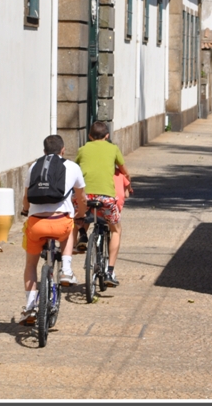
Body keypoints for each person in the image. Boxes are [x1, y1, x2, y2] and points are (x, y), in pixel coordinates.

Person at [19, 134, 86, 325]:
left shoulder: (34, 167)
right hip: (60, 224)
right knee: (68, 229)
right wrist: (80, 213)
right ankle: (65, 269)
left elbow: (26, 198)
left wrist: (25, 210)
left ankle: (31, 307)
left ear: (44, 152)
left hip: (36, 225)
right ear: (63, 150)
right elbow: (81, 197)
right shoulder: (72, 167)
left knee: (31, 265)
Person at [73, 121, 126, 287]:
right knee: (116, 229)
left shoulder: (83, 149)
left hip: (85, 197)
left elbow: (76, 169)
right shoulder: (113, 148)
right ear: (107, 136)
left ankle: (82, 235)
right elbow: (123, 170)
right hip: (106, 198)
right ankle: (110, 271)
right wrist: (128, 181)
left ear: (89, 136)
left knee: (79, 216)